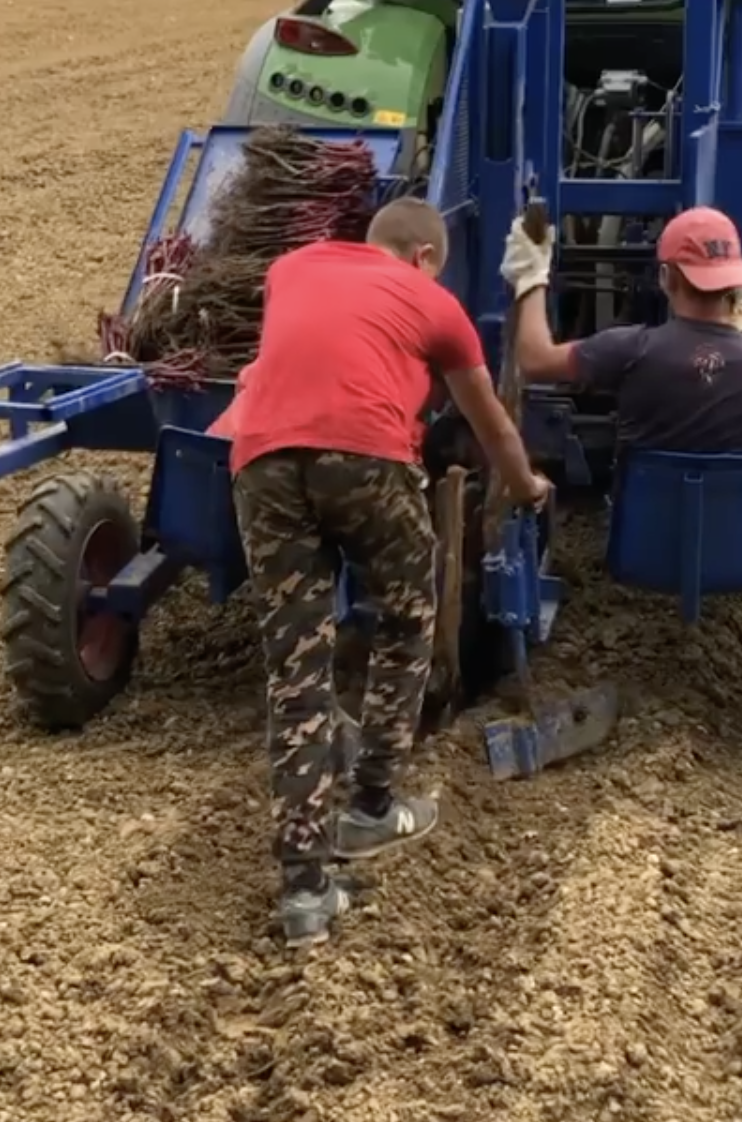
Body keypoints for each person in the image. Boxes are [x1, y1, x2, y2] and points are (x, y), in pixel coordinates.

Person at [217, 196, 551, 948]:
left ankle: (305, 894)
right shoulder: (434, 301)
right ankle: (371, 806)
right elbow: (490, 419)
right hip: (367, 458)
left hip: (260, 463)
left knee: (295, 672)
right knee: (406, 618)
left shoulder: (292, 268)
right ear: (426, 256)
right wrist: (526, 488)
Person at [498, 205, 742, 461]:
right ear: (734, 281)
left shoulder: (627, 350)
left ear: (666, 278)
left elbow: (535, 360)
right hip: (740, 528)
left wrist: (531, 276)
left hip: (645, 527)